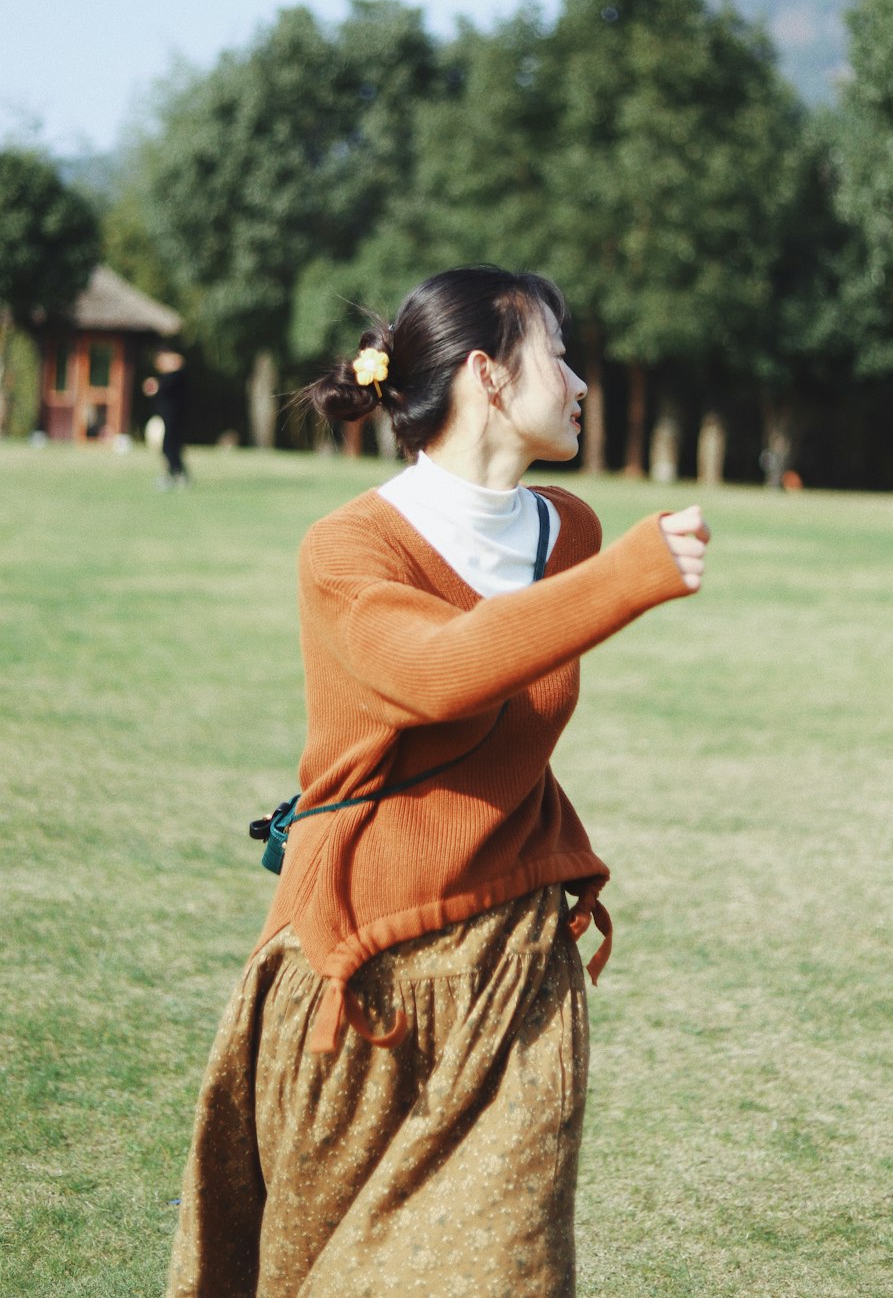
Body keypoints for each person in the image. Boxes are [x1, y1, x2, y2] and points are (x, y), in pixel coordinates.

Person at [166, 266, 709, 1298]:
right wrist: (626, 580)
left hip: (515, 971)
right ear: (489, 376)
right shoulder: (348, 547)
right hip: (358, 979)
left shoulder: (569, 534)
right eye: (559, 352)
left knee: (510, 1270)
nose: (583, 380)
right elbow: (434, 671)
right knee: (314, 1273)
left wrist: (603, 570)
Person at [143, 348, 189, 486]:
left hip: (173, 418)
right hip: (165, 417)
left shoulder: (176, 376)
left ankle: (178, 473)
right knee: (169, 447)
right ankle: (174, 473)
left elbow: (162, 386)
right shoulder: (166, 378)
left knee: (169, 446)